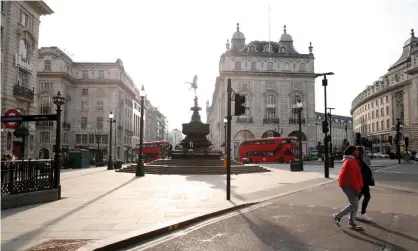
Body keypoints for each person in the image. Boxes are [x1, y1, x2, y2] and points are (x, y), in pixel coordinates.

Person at [332, 146, 364, 230]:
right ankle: (337, 216)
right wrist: (358, 188)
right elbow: (353, 177)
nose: (358, 151)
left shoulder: (350, 161)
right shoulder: (351, 161)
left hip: (348, 185)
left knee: (355, 204)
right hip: (348, 185)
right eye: (356, 150)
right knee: (354, 204)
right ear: (353, 152)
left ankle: (352, 223)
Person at [356, 146, 374, 222]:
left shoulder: (360, 160)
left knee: (361, 197)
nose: (363, 153)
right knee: (359, 198)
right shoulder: (358, 161)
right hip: (361, 182)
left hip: (364, 182)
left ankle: (358, 213)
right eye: (362, 152)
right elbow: (358, 172)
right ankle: (361, 214)